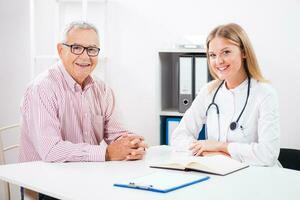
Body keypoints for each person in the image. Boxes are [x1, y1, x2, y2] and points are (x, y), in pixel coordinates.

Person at [19, 21, 147, 164]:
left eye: (92, 49)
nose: (85, 57)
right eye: (77, 48)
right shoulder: (41, 89)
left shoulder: (102, 90)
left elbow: (117, 134)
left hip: (86, 176)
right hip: (40, 181)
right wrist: (106, 153)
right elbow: (51, 151)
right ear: (61, 50)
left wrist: (131, 144)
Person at [171, 23, 280, 166]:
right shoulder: (209, 91)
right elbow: (178, 137)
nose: (219, 61)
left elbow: (268, 154)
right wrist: (206, 151)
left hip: (258, 177)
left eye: (226, 52)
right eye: (212, 55)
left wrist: (222, 147)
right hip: (218, 172)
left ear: (244, 52)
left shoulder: (264, 93)